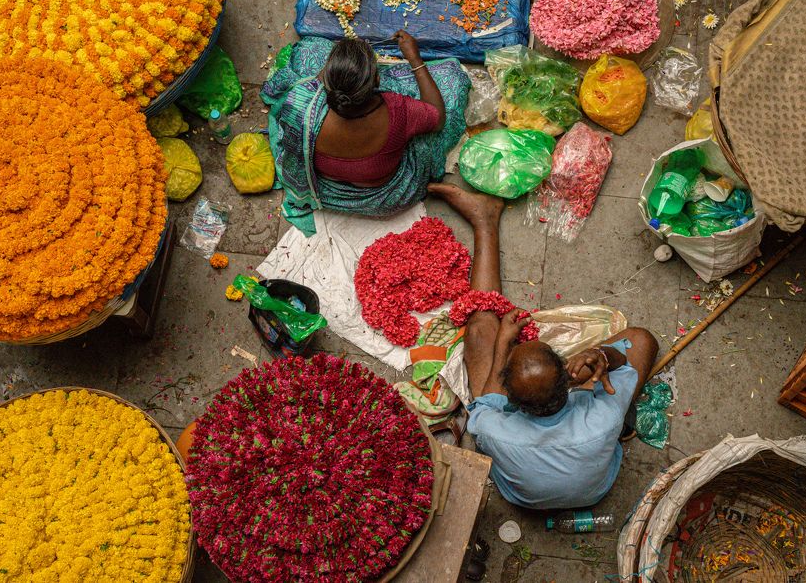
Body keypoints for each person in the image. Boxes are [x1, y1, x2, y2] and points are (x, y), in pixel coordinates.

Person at [429, 182, 658, 511]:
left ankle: (484, 224)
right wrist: (604, 356)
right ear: (569, 376)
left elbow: (487, 403)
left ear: (510, 399)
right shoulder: (604, 415)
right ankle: (485, 220)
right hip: (595, 490)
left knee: (480, 331)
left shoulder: (492, 429)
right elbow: (642, 342)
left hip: (524, 500)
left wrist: (503, 346)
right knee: (636, 345)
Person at [261, 32, 470, 235]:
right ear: (378, 80)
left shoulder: (302, 104)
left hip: (328, 192)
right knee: (451, 80)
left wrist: (339, 67)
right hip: (384, 197)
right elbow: (438, 118)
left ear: (325, 83)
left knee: (310, 49)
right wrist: (415, 59)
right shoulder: (397, 109)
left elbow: (315, 83)